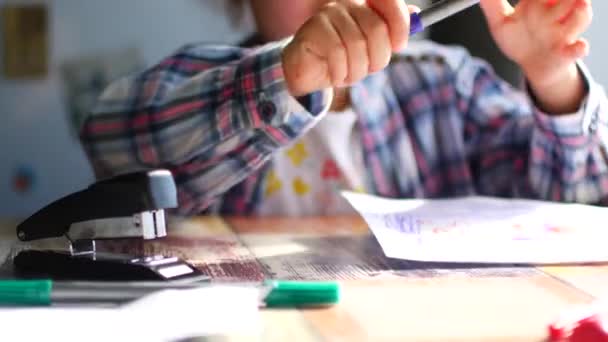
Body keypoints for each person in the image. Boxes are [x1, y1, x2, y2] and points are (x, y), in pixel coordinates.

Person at [79, 0, 608, 216]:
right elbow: (111, 142)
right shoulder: (210, 88)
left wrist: (551, 76)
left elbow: (573, 204)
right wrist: (289, 74)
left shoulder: (445, 84)